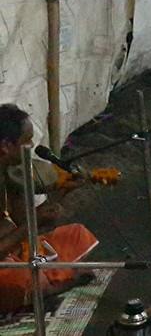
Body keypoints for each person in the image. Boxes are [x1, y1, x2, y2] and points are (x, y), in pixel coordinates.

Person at [0, 105, 98, 313]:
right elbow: (25, 228)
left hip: (15, 251)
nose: (33, 145)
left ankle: (45, 283)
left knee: (76, 235)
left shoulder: (8, 174)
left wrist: (61, 194)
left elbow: (24, 223)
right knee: (24, 279)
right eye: (26, 141)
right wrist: (32, 223)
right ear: (6, 145)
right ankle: (54, 287)